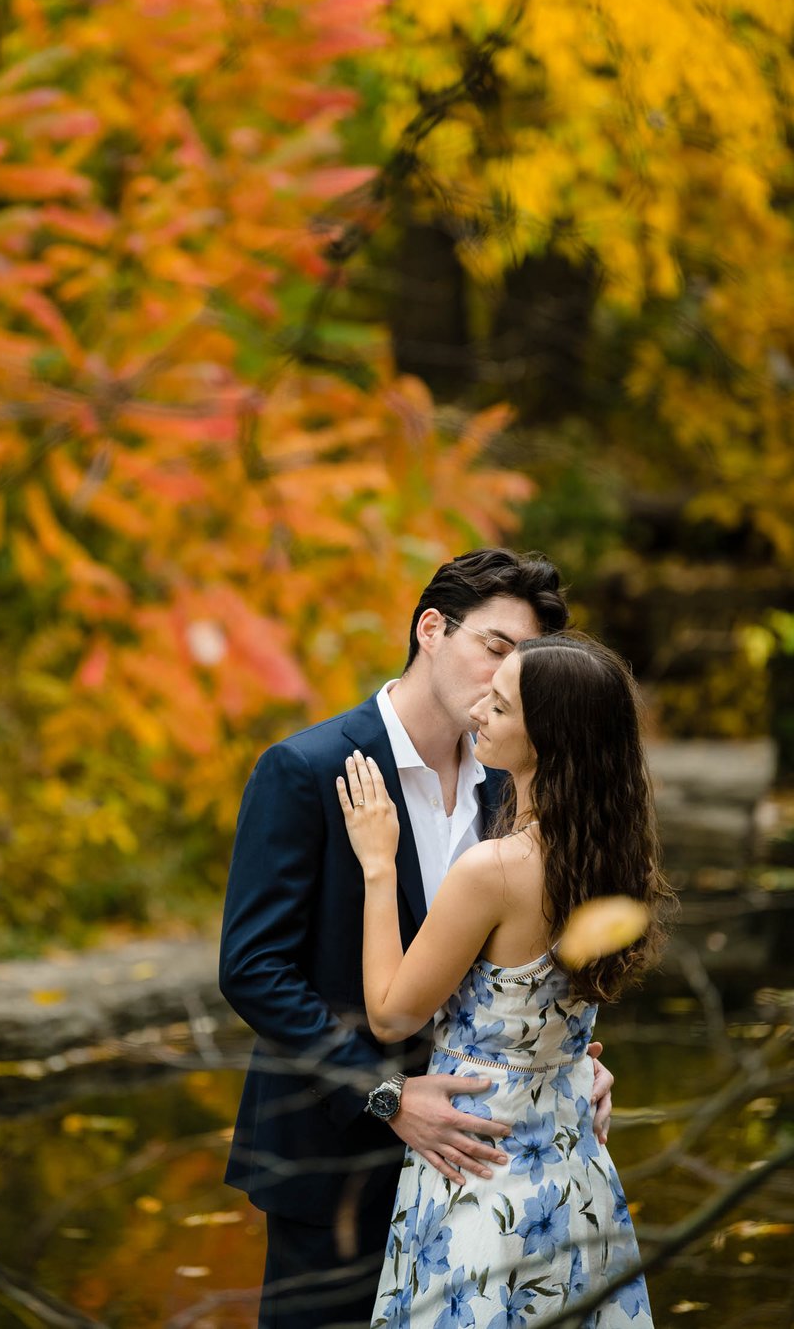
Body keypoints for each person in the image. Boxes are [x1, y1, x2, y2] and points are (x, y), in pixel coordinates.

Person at [219, 549, 615, 1328]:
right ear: (431, 628)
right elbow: (253, 969)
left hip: (483, 1172)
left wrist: (570, 1065)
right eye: (496, 648)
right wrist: (385, 1095)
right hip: (336, 1159)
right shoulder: (307, 768)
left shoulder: (513, 778)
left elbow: (536, 960)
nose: (505, 679)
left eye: (523, 664)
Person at [337, 633, 674, 1328]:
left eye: (502, 705)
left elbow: (393, 1015)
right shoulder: (616, 859)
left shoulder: (494, 870)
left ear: (549, 738)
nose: (479, 712)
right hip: (575, 1176)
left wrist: (378, 863)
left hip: (485, 1184)